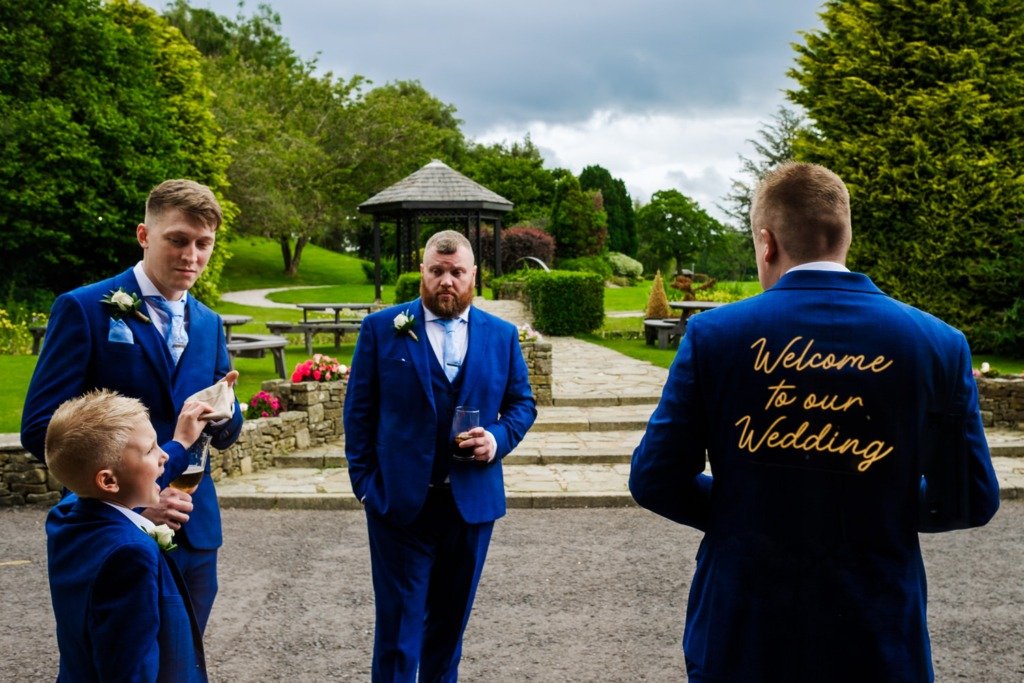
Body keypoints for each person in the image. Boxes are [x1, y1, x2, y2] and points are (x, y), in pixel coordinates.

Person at [629, 161, 1001, 681]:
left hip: (746, 628)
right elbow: (971, 498)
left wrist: (748, 507)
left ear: (766, 242)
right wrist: (881, 504)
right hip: (877, 628)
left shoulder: (716, 336)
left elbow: (654, 479)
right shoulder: (936, 343)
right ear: (845, 236)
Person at [21, 178, 243, 634]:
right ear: (143, 235)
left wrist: (228, 412)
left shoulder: (208, 322)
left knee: (184, 663)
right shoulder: (84, 308)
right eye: (178, 240)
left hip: (194, 527)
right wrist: (132, 501)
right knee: (116, 665)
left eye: (204, 244)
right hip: (112, 531)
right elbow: (42, 427)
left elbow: (226, 432)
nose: (192, 257)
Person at [344, 229, 537, 681]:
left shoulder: (502, 336)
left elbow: (522, 404)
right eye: (436, 271)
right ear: (422, 273)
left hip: (471, 506)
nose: (445, 280)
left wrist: (497, 438)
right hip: (399, 506)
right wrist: (367, 487)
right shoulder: (381, 330)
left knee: (448, 631)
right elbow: (359, 412)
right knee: (396, 634)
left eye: (456, 272)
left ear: (474, 275)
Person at [45, 389, 207, 682]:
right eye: (150, 450)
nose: (164, 456)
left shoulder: (64, 516)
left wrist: (182, 442)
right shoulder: (130, 553)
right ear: (107, 480)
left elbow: (119, 475)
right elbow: (130, 669)